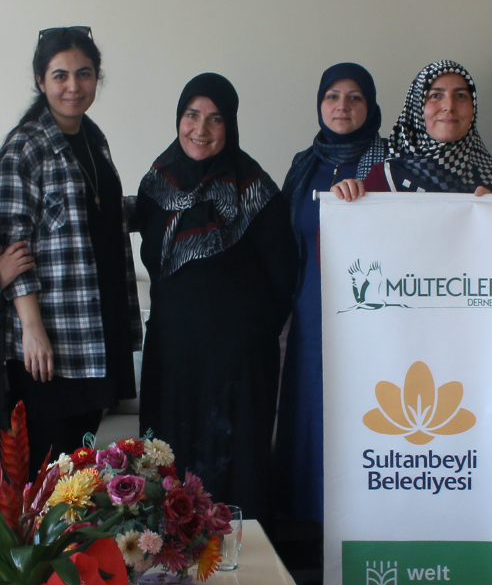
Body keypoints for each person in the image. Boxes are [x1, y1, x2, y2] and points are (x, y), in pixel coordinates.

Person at [133, 73, 297, 521]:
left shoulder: (256, 190)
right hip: (173, 355)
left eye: (215, 119)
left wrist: (247, 333)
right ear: (179, 118)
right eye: (192, 115)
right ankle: (167, 558)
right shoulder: (157, 184)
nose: (200, 129)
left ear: (231, 125)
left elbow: (285, 275)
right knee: (166, 470)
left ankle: (244, 560)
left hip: (237, 364)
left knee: (237, 471)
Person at [0, 27, 142, 472]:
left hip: (97, 329)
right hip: (52, 340)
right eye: (60, 75)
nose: (73, 86)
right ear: (40, 80)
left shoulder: (93, 138)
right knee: (46, 469)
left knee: (78, 467)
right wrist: (32, 329)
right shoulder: (25, 146)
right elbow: (13, 243)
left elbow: (98, 214)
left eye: (84, 74)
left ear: (97, 78)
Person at [274, 63, 387, 528]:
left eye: (355, 97)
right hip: (309, 312)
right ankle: (305, 531)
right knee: (310, 416)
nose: (342, 106)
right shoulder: (304, 164)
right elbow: (282, 240)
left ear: (370, 106)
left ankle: (356, 531)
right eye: (332, 96)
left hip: (369, 317)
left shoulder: (390, 163)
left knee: (359, 414)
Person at [331, 60, 492, 199]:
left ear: (473, 108)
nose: (449, 106)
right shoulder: (385, 178)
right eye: (435, 95)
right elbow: (342, 237)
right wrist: (343, 201)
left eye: (461, 96)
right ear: (417, 108)